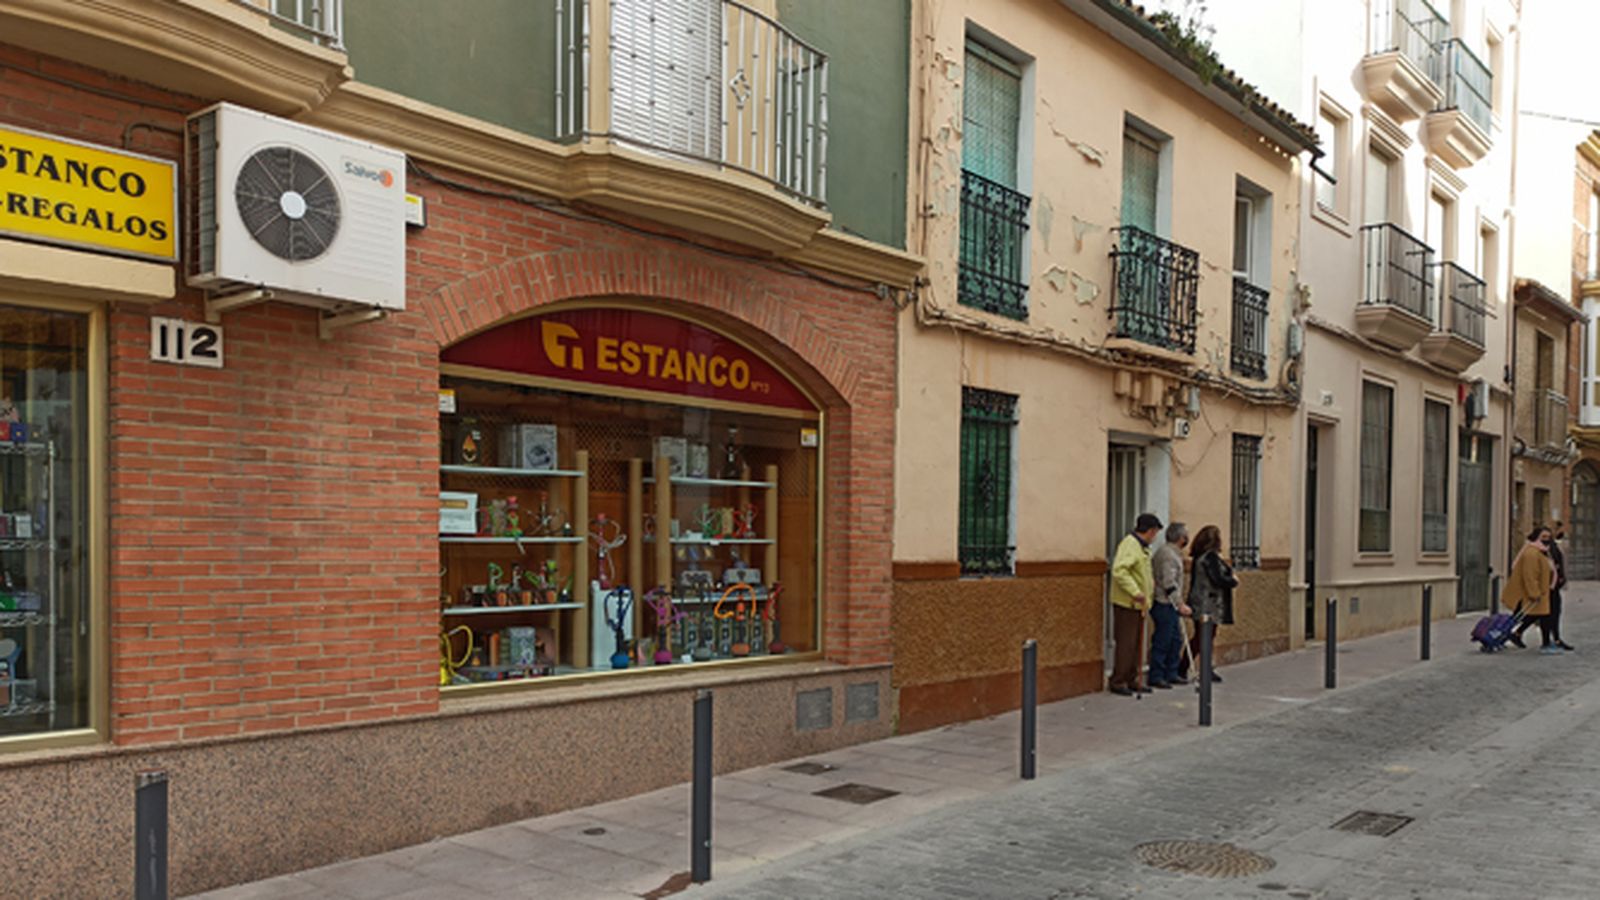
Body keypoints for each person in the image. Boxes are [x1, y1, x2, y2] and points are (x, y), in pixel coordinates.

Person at [1109, 513, 1162, 697]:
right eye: (1155, 533)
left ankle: (1132, 678)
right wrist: (1136, 592)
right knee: (1126, 644)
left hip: (1138, 605)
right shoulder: (1130, 544)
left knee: (1136, 644)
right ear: (1150, 531)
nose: (1155, 537)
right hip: (1128, 603)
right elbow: (1120, 571)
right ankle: (1119, 680)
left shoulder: (1142, 548)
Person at [1186, 524, 1236, 684]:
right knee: (1205, 637)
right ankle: (1197, 668)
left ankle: (1199, 667)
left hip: (1199, 602)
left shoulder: (1199, 557)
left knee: (1202, 637)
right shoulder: (1210, 558)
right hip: (1209, 605)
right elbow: (1218, 579)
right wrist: (1233, 581)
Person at [1148, 522, 1191, 689]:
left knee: (1175, 639)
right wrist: (1179, 603)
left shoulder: (1173, 553)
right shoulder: (1168, 555)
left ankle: (1171, 673)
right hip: (1164, 603)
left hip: (1169, 604)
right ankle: (1157, 675)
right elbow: (1168, 582)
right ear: (1181, 538)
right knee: (1163, 640)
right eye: (1186, 535)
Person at [1505, 525, 1558, 654]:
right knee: (1540, 615)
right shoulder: (1532, 552)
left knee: (1538, 615)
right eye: (1543, 537)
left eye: (1548, 537)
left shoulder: (1542, 551)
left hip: (1543, 591)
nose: (1546, 540)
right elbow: (1530, 575)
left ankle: (1518, 634)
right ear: (1536, 537)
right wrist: (1534, 592)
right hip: (1536, 592)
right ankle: (1544, 642)